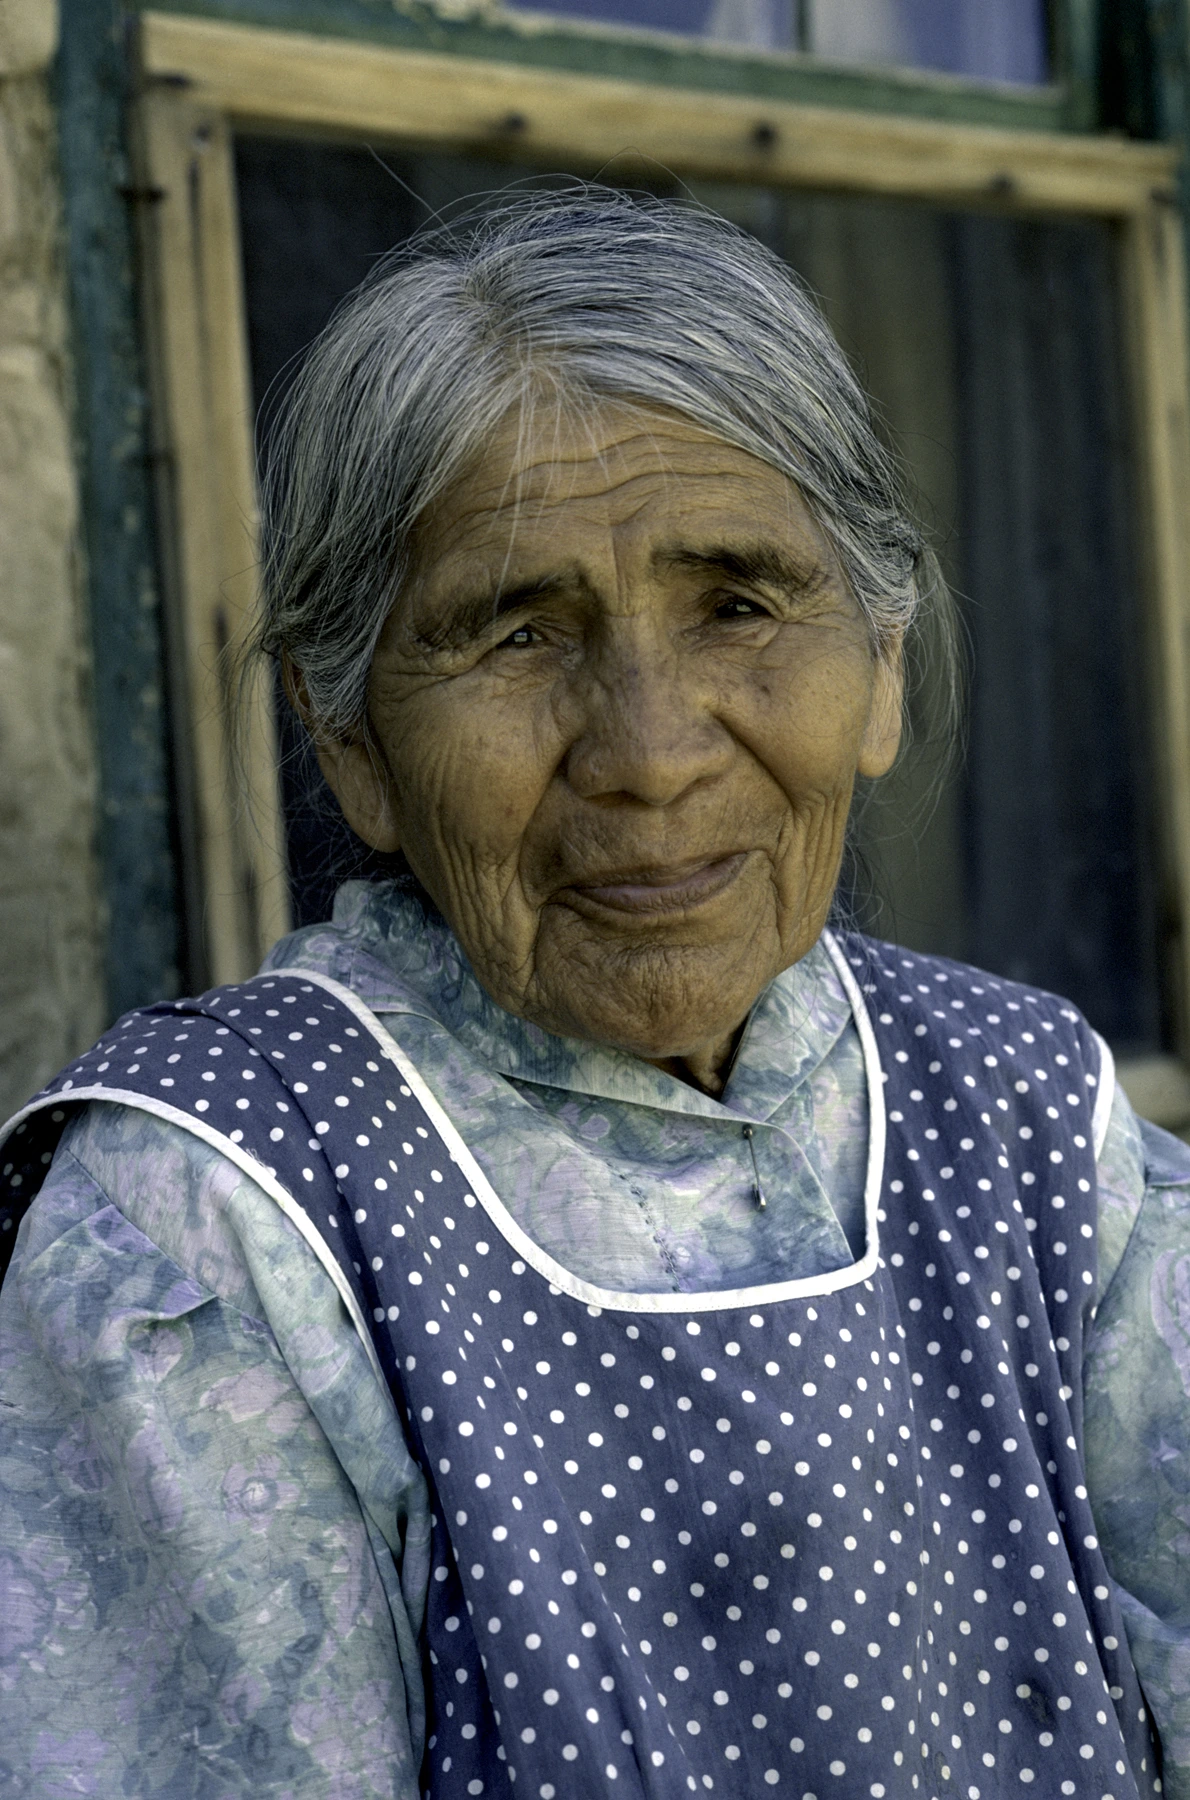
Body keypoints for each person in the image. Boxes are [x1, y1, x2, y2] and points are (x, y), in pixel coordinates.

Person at [1, 189, 1187, 1800]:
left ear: (883, 664)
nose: (648, 752)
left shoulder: (1023, 1106)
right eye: (513, 633)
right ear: (347, 737)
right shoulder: (214, 1219)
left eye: (740, 604)